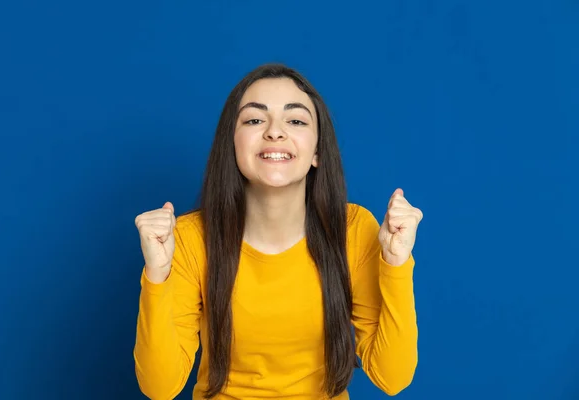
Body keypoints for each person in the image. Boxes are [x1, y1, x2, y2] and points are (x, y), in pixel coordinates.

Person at [133, 63, 423, 400]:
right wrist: (157, 274)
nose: (275, 132)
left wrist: (396, 264)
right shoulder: (189, 238)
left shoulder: (353, 229)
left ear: (316, 151)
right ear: (233, 144)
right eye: (255, 120)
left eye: (296, 120)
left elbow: (393, 377)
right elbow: (159, 387)